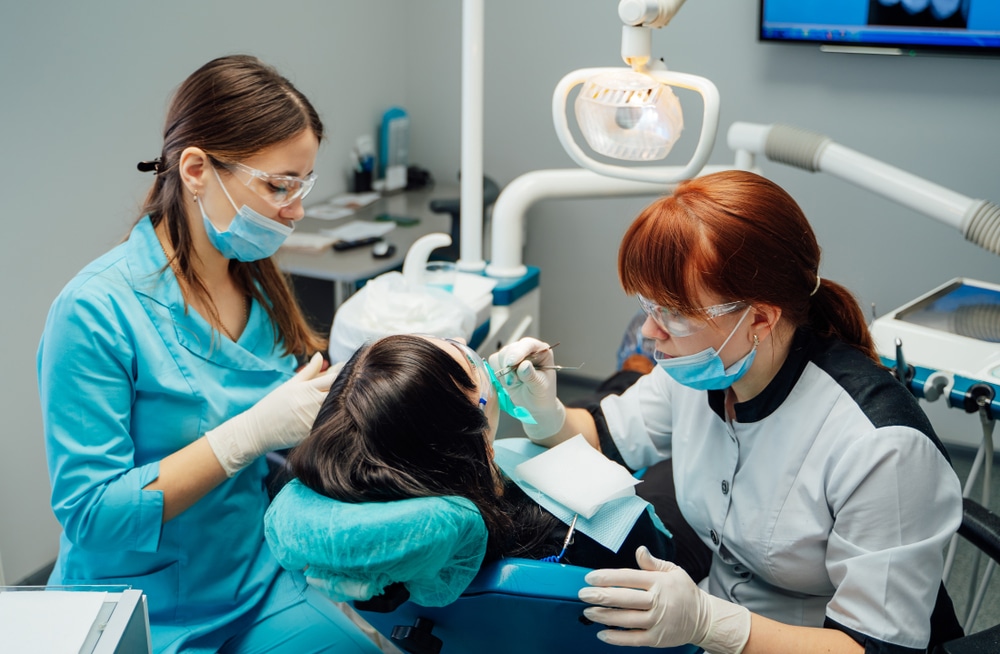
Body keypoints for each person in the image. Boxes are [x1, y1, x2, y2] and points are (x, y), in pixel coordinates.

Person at [489, 170, 964, 654]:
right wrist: (544, 410)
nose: (651, 333)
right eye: (648, 306)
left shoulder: (881, 447)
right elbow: (605, 437)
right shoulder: (703, 371)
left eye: (674, 313)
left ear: (759, 317)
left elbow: (877, 649)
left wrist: (713, 625)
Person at [37, 55, 382, 653]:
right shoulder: (94, 312)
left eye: (303, 185)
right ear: (196, 168)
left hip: (252, 581)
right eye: (279, 185)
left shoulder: (257, 286)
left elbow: (290, 438)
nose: (296, 210)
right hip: (137, 604)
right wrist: (244, 436)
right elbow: (92, 516)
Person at [286, 333, 674, 569]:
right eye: (464, 359)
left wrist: (549, 417)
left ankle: (632, 371)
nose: (468, 348)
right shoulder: (606, 525)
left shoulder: (392, 523)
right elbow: (659, 552)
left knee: (607, 396)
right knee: (666, 476)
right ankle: (634, 370)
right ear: (475, 437)